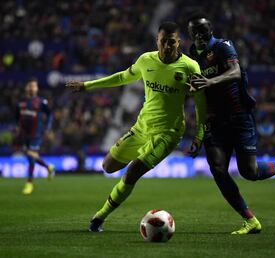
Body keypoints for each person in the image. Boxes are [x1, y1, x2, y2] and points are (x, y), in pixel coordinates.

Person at [65, 21, 206, 232]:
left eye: (172, 42)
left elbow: (201, 104)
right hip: (141, 127)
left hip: (168, 133)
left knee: (131, 173)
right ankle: (138, 161)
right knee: (108, 166)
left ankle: (98, 219)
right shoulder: (145, 60)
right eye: (163, 41)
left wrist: (199, 136)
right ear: (156, 41)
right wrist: (87, 86)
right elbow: (122, 77)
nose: (167, 46)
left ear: (179, 42)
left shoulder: (190, 66)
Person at [187, 12, 275, 234]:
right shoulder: (192, 54)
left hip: (238, 116)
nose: (200, 36)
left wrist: (210, 81)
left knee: (249, 172)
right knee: (218, 169)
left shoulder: (223, 46)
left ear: (210, 29)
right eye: (194, 33)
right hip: (214, 122)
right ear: (190, 34)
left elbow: (236, 71)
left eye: (203, 31)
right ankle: (250, 220)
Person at [15, 78, 55, 195]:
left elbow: (50, 114)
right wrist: (17, 127)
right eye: (30, 86)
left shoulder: (41, 102)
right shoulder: (21, 102)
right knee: (30, 155)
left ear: (37, 88)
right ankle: (48, 167)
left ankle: (29, 183)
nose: (32, 88)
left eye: (34, 86)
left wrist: (48, 127)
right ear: (26, 88)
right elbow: (16, 117)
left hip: (36, 133)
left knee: (31, 156)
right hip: (24, 134)